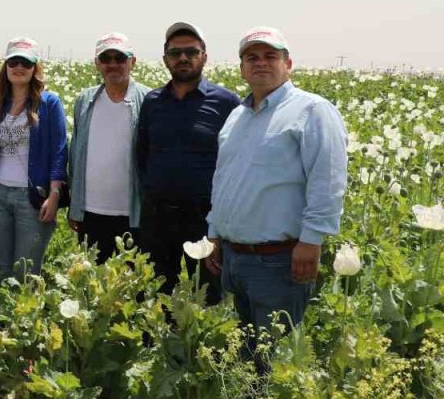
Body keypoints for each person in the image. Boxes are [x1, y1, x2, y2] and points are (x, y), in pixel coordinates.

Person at [205, 27, 347, 339]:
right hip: (234, 257)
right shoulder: (236, 117)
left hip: (279, 259)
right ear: (242, 68)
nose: (261, 63)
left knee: (276, 360)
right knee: (242, 355)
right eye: (251, 57)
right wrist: (214, 233)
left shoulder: (312, 110)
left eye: (271, 56)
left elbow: (328, 180)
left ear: (288, 63)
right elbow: (223, 179)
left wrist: (312, 240)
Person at [135, 23, 239, 303]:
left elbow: (237, 160)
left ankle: (203, 346)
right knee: (155, 291)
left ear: (204, 56)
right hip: (158, 215)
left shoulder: (226, 102)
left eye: (191, 51)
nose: (183, 58)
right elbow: (143, 153)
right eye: (175, 52)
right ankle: (156, 346)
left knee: (207, 292)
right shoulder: (153, 102)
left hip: (205, 217)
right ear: (165, 59)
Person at [0, 37, 68, 282]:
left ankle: (23, 319)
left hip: (33, 199)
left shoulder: (49, 103)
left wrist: (55, 194)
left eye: (26, 63)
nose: (19, 67)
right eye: (13, 61)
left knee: (25, 271)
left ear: (35, 68)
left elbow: (59, 151)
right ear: (5, 67)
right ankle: (3, 321)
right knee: (2, 268)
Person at [67, 32, 150, 264]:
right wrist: (75, 207)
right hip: (91, 212)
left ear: (133, 61)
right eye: (106, 58)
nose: (113, 64)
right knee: (93, 288)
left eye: (120, 58)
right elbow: (76, 154)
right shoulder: (85, 100)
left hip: (133, 214)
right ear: (97, 64)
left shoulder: (149, 100)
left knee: (133, 290)